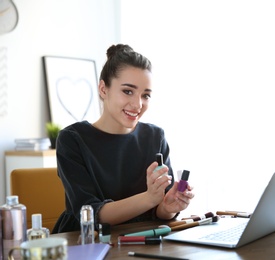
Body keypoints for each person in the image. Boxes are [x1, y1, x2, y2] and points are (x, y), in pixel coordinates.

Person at [52, 44, 195, 233]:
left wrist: (168, 208)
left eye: (146, 95)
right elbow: (89, 214)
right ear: (103, 89)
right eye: (128, 91)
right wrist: (149, 198)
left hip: (142, 238)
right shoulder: (72, 139)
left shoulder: (155, 137)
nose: (137, 104)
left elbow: (159, 210)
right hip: (85, 242)